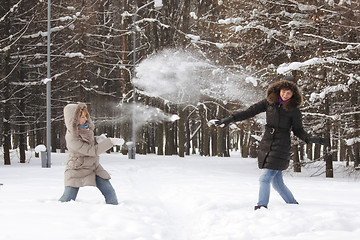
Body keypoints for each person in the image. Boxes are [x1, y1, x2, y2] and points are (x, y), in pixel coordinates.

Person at [215, 76, 325, 210]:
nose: (285, 94)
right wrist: (230, 119)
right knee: (277, 183)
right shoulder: (269, 102)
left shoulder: (294, 110)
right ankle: (293, 204)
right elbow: (250, 111)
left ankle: (262, 206)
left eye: (289, 93)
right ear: (279, 90)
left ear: (293, 94)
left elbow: (298, 130)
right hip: (267, 143)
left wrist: (309, 139)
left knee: (265, 178)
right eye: (284, 91)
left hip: (282, 145)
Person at [59, 102, 123, 205]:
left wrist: (98, 139)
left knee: (110, 194)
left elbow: (90, 142)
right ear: (74, 120)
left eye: (86, 116)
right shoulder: (71, 138)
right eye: (82, 117)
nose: (86, 119)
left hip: (94, 167)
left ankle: (114, 214)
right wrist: (110, 142)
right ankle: (55, 213)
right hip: (77, 168)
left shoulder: (85, 130)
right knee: (68, 198)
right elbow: (91, 151)